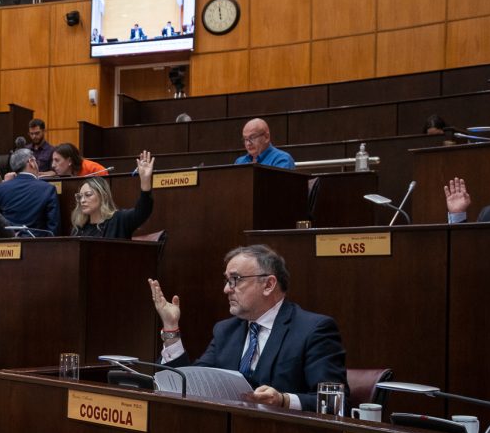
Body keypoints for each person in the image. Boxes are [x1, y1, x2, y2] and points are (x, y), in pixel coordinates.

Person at [148, 245, 347, 412]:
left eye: (235, 279)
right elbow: (188, 384)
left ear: (268, 284)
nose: (226, 289)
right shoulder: (226, 331)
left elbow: (334, 402)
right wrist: (171, 328)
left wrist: (284, 400)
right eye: (226, 280)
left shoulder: (313, 330)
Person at [70, 151, 154, 239]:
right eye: (80, 197)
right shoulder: (78, 228)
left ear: (103, 196)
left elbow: (142, 211)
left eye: (88, 195)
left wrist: (145, 181)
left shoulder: (119, 220)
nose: (82, 200)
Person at [0, 148, 60, 235]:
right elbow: (53, 227)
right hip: (37, 245)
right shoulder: (48, 189)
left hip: (8, 244)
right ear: (31, 162)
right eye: (36, 161)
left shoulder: (0, 188)